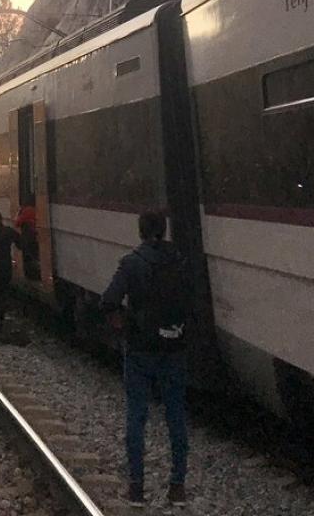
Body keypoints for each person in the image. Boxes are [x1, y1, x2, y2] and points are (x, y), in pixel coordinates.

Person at [101, 211, 190, 508]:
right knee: (176, 416)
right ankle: (177, 487)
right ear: (163, 231)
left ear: (140, 231)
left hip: (140, 349)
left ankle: (137, 489)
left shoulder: (131, 263)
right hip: (174, 345)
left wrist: (123, 324)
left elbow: (109, 301)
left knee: (136, 417)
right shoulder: (180, 262)